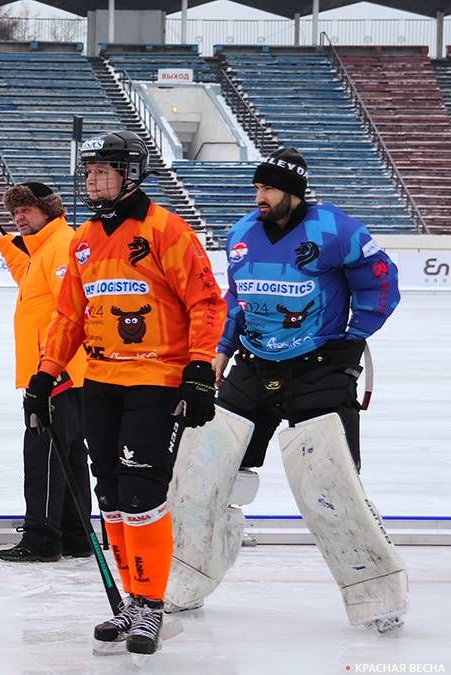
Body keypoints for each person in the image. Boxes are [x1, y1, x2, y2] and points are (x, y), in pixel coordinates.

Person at [165, 147, 406, 633]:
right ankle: (188, 575)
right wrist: (221, 351)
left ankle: (376, 594)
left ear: (294, 193)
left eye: (269, 188)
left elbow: (383, 285)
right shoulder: (241, 234)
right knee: (202, 470)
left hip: (318, 370)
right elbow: (237, 298)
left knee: (333, 485)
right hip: (253, 367)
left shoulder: (336, 230)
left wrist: (351, 339)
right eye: (257, 187)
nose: (260, 196)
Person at [26, 130, 225, 656]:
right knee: (110, 495)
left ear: (130, 174)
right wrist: (45, 374)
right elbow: (70, 314)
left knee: (141, 493)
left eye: (102, 170)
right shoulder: (85, 238)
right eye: (88, 170)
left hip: (154, 383)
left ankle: (151, 604)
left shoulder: (166, 230)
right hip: (100, 382)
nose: (90, 178)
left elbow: (206, 302)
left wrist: (200, 368)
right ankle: (131, 599)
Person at [0, 182, 91, 563]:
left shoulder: (60, 246)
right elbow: (28, 275)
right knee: (70, 454)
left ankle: (42, 539)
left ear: (48, 210)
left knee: (44, 453)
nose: (19, 218)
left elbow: (70, 311)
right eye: (15, 213)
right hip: (64, 371)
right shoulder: (46, 247)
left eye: (26, 210)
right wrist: (2, 241)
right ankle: (78, 536)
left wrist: (51, 368)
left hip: (55, 371)